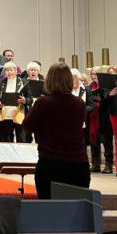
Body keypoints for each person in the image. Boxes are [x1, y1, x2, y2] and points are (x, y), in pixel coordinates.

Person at [22, 63, 90, 199]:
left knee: (49, 207)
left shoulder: (43, 102)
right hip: (78, 164)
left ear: (50, 81)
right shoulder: (79, 103)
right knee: (75, 207)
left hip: (50, 163)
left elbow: (27, 126)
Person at [88, 67, 114, 173]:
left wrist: (101, 99)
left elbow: (110, 99)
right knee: (94, 141)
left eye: (97, 74)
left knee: (107, 142)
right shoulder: (90, 86)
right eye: (93, 74)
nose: (94, 76)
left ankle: (108, 165)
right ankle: (95, 164)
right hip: (93, 117)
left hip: (105, 116)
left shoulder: (106, 86)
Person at [0, 62, 27, 142]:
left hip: (19, 113)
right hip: (6, 115)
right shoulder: (1, 83)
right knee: (7, 138)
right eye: (7, 70)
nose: (9, 72)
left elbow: (29, 97)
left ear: (15, 71)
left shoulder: (23, 82)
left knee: (21, 138)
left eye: (11, 70)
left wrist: (25, 100)